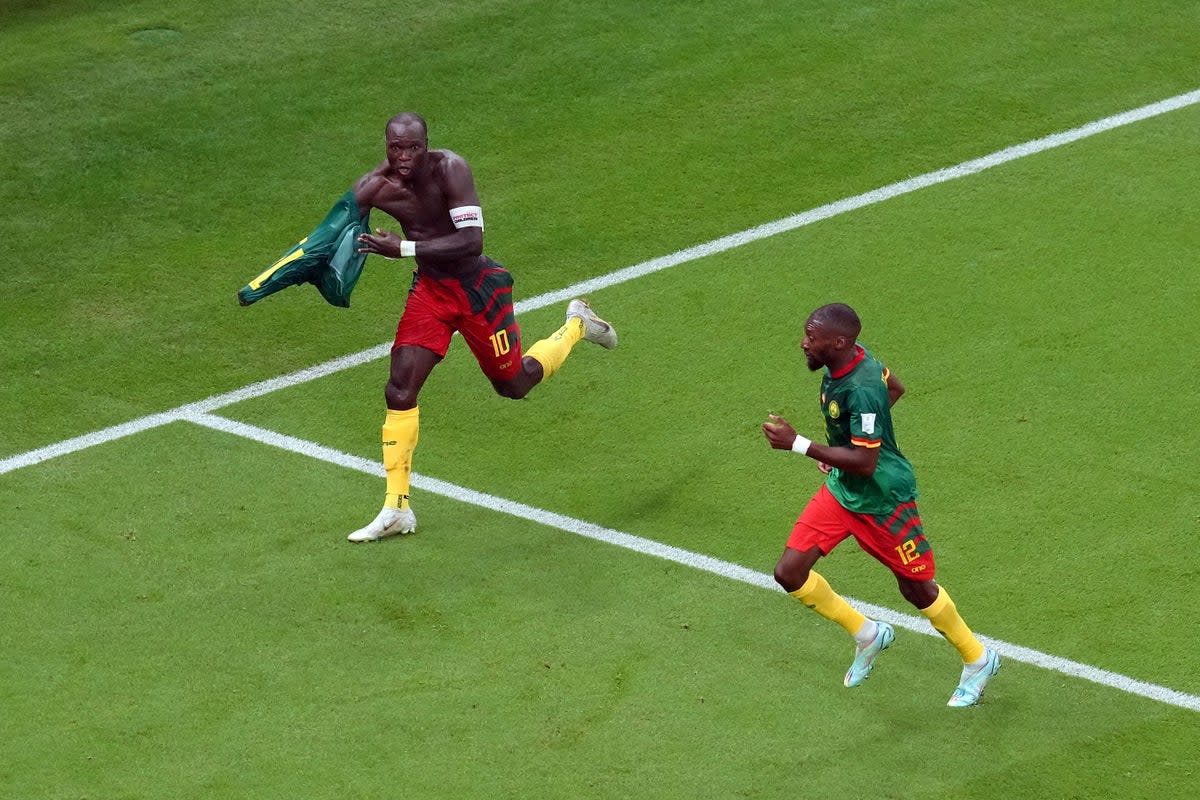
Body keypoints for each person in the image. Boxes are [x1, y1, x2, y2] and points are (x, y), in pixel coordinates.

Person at [346, 112, 617, 542]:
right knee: (399, 387)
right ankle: (396, 509)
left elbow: (472, 241)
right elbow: (335, 228)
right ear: (385, 145)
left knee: (513, 385)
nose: (403, 157)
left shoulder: (452, 168)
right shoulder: (373, 187)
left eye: (412, 147)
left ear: (427, 145)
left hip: (478, 291)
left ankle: (576, 326)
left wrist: (403, 249)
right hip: (431, 292)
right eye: (395, 147)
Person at [761, 303, 999, 707]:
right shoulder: (855, 358)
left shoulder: (861, 387)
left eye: (811, 338)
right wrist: (840, 449)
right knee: (789, 571)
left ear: (837, 342)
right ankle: (867, 633)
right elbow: (897, 389)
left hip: (884, 500)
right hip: (842, 492)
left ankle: (978, 658)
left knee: (915, 588)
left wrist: (800, 445)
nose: (804, 343)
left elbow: (868, 461)